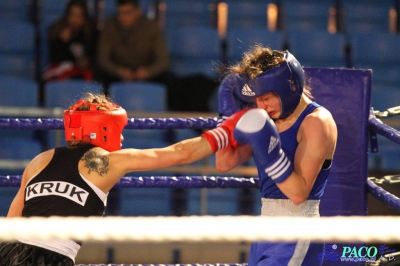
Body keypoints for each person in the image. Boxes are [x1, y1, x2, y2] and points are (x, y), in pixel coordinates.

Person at [0, 92, 249, 265]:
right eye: (118, 130)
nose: (121, 139)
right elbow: (179, 154)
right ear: (103, 128)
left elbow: (13, 223)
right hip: (51, 257)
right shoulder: (107, 162)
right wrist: (226, 132)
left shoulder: (39, 160)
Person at [215, 46, 338, 265]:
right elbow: (224, 163)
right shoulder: (268, 118)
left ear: (289, 86)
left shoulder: (316, 122)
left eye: (267, 97)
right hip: (265, 227)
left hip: (298, 229)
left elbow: (299, 194)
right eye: (256, 100)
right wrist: (226, 118)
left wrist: (271, 154)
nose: (261, 106)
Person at [95, 0, 172, 90]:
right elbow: (103, 60)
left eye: (127, 13)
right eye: (119, 13)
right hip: (117, 75)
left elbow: (163, 61)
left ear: (138, 12)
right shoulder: (109, 26)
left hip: (147, 74)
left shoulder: (151, 28)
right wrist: (119, 71)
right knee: (99, 79)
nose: (122, 17)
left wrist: (148, 71)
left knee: (170, 80)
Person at [43, 0, 97, 82]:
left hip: (83, 73)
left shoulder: (91, 32)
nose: (75, 19)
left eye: (79, 15)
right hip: (63, 74)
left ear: (84, 17)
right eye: (72, 14)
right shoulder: (56, 30)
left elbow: (95, 56)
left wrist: (87, 61)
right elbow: (55, 60)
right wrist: (62, 42)